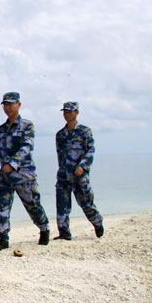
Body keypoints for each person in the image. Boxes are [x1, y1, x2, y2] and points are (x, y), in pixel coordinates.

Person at [0, 92, 50, 250]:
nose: (8, 107)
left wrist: (13, 163)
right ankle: (3, 238)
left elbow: (27, 147)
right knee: (3, 206)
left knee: (33, 205)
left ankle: (44, 229)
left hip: (24, 174)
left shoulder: (27, 125)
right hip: (5, 176)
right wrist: (6, 168)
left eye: (11, 103)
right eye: (5, 104)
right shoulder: (1, 129)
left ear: (19, 104)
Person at [54, 102, 104, 240]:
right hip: (64, 175)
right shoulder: (60, 134)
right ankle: (64, 233)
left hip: (79, 175)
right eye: (65, 112)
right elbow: (60, 154)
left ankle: (97, 222)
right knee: (62, 205)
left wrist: (83, 166)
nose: (67, 114)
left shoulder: (84, 131)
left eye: (70, 111)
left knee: (86, 203)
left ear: (76, 112)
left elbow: (90, 150)